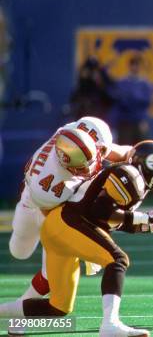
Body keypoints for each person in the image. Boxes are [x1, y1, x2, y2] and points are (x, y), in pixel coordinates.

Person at [0, 140, 153, 336]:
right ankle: (110, 324)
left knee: (58, 308)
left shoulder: (132, 180)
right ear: (150, 164)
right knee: (117, 260)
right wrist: (146, 217)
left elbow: (119, 222)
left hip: (61, 228)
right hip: (69, 223)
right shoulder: (128, 175)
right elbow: (101, 211)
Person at [9, 116, 132, 302]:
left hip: (56, 201)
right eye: (79, 168)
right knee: (19, 251)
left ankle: (19, 313)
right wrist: (87, 239)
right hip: (36, 205)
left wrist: (147, 157)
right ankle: (17, 311)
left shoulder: (78, 138)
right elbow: (59, 222)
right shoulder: (48, 185)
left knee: (51, 274)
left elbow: (123, 152)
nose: (88, 170)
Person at [111, 53, 153, 145]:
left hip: (139, 122)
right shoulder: (122, 83)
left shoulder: (145, 84)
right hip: (125, 123)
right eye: (133, 64)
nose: (135, 67)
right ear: (130, 66)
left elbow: (145, 102)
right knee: (124, 148)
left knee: (144, 147)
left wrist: (131, 98)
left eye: (137, 65)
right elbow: (120, 100)